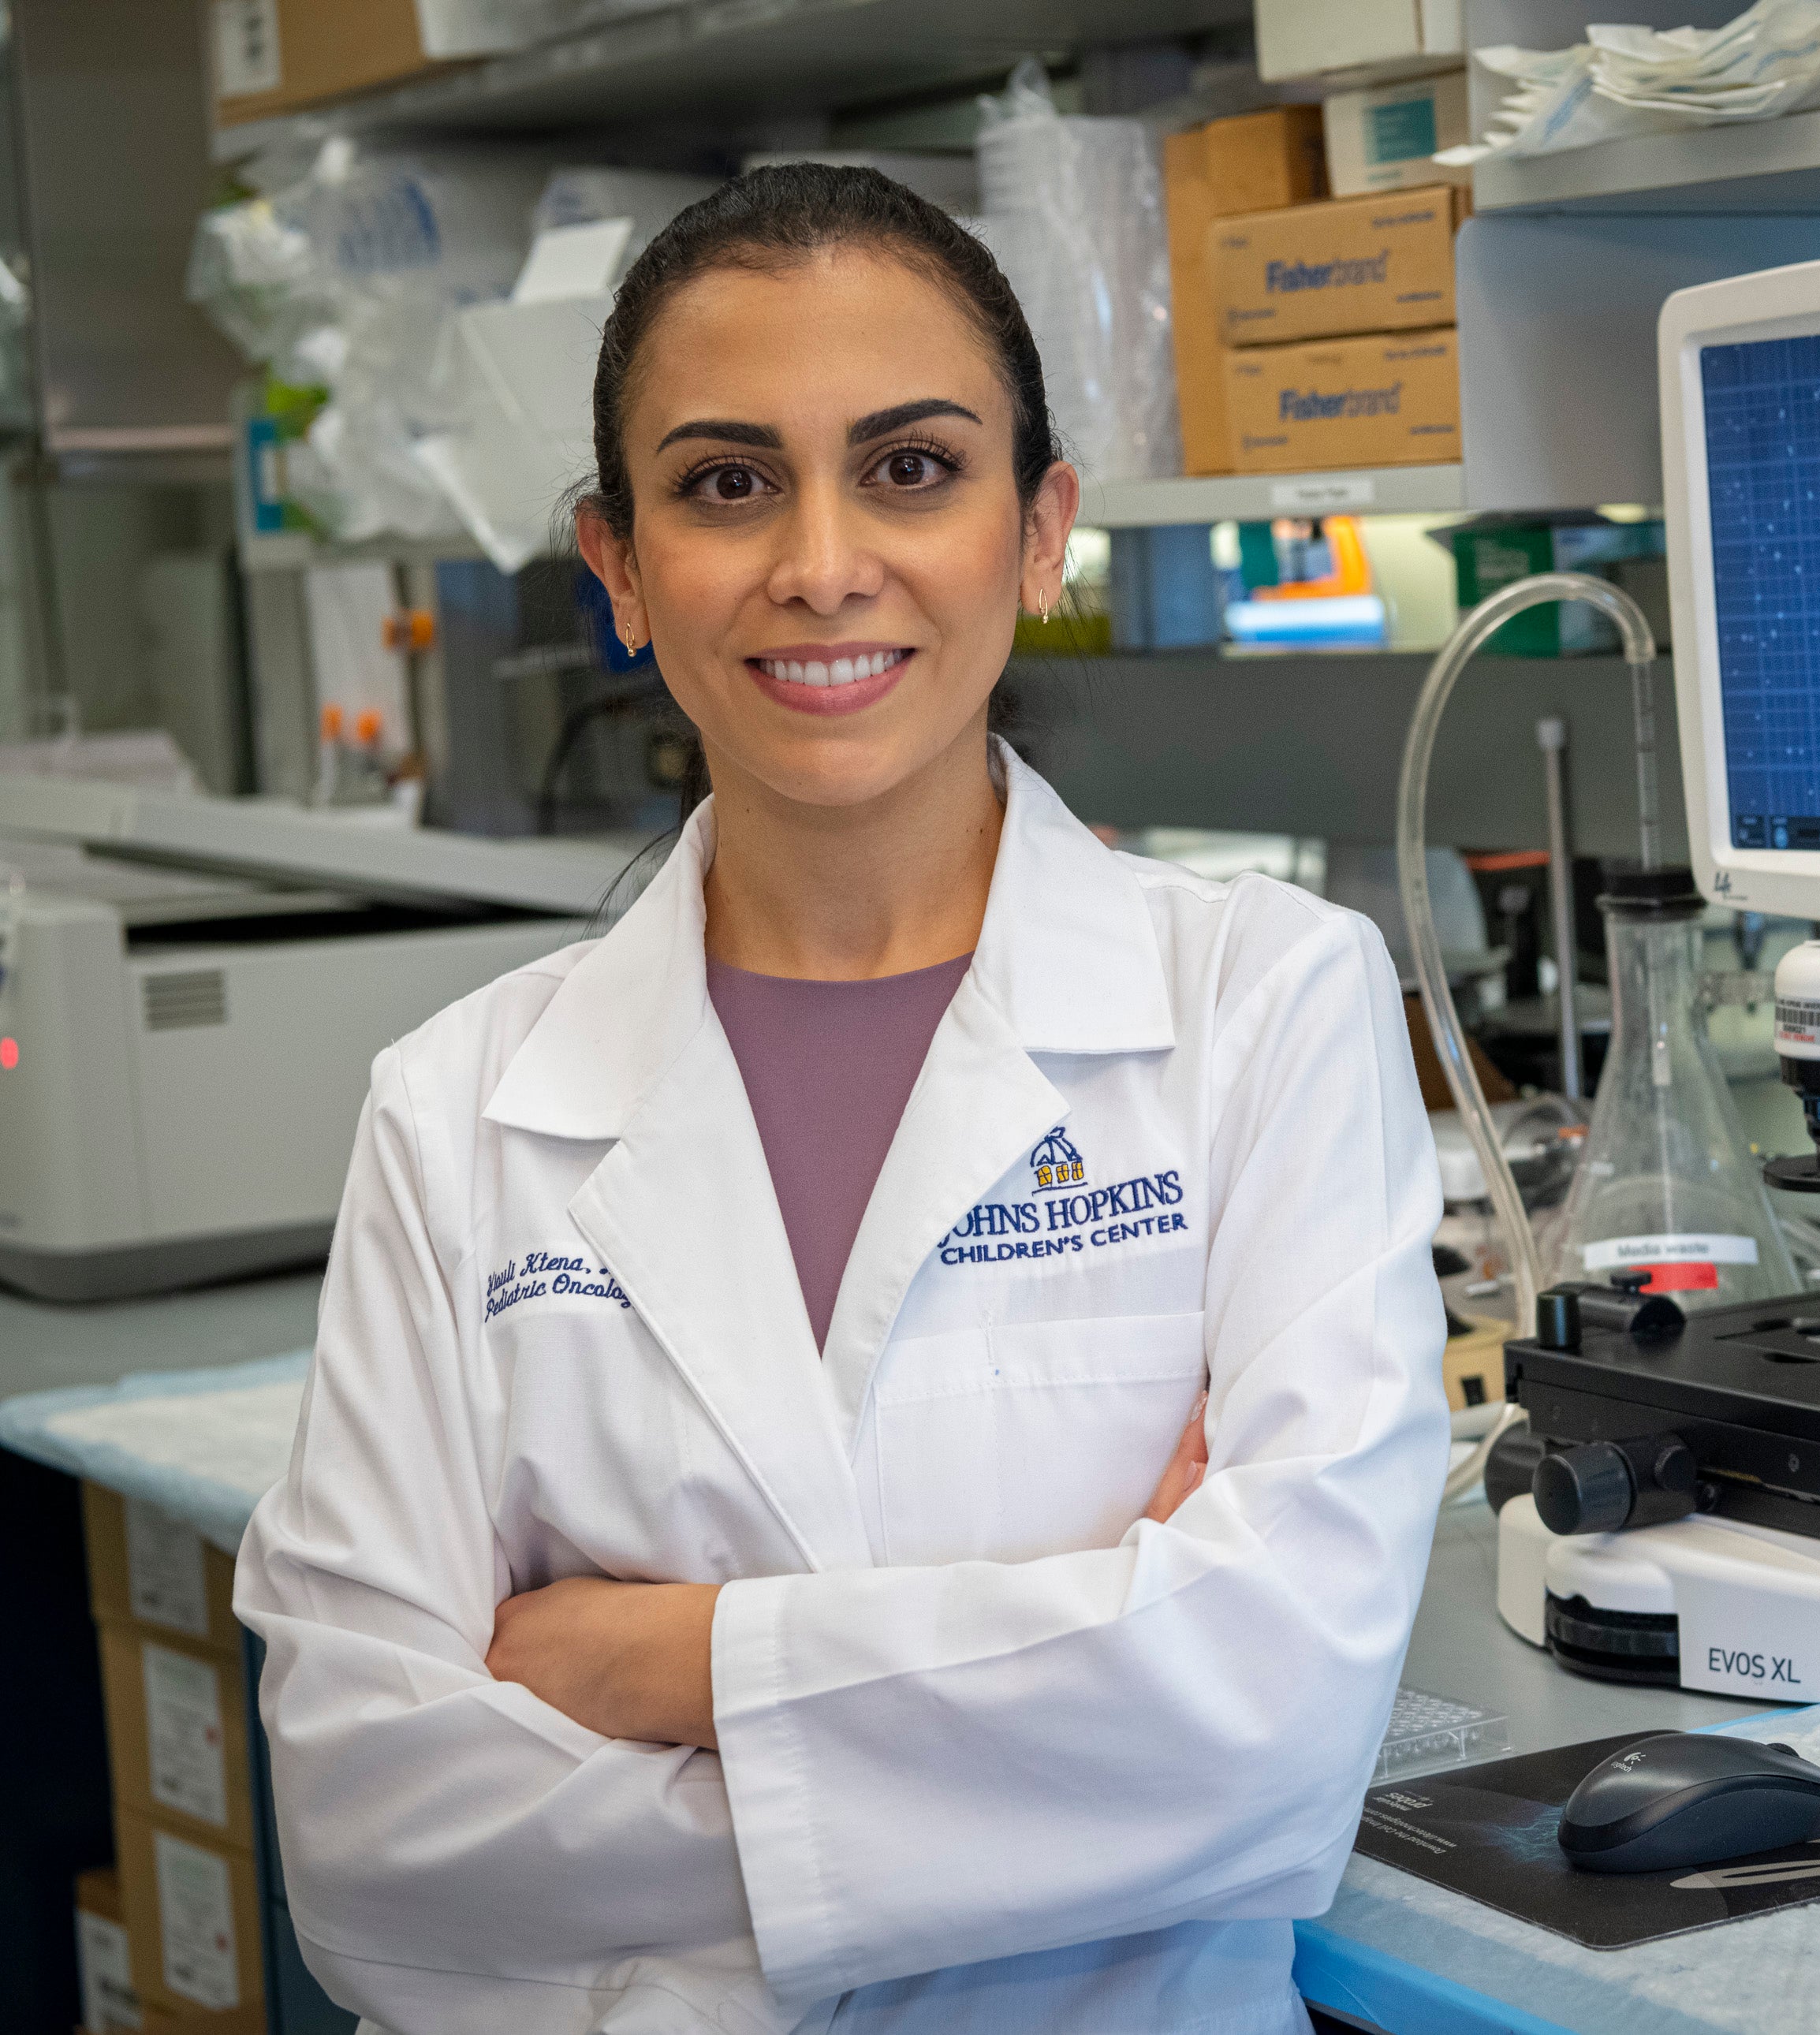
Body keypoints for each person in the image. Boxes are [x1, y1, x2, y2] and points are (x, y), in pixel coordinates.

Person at [236, 165, 1449, 2034]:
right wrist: (1076, 1727)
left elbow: (1271, 1723)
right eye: (728, 483)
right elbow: (371, 1830)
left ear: (1039, 532)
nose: (820, 561)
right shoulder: (459, 1109)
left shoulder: (1260, 1008)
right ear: (621, 571)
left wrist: (676, 1659)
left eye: (910, 468)